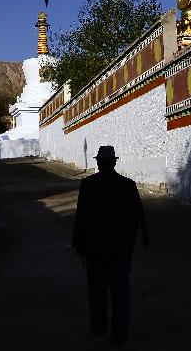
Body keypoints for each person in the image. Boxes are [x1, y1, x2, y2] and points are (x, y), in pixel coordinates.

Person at [72, 145, 149, 345]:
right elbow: (137, 217)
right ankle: (120, 333)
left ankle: (99, 327)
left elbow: (81, 217)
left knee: (97, 291)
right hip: (120, 249)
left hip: (95, 249)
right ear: (114, 162)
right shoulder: (128, 185)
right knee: (120, 290)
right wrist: (135, 242)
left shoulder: (88, 185)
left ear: (98, 163)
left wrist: (79, 245)